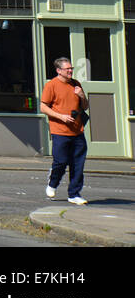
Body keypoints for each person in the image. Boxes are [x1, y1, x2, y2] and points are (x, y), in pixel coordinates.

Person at [41, 56, 89, 204]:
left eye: (71, 68)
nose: (70, 71)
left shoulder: (76, 84)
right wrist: (60, 117)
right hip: (59, 130)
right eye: (67, 69)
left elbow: (85, 107)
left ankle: (74, 194)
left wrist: (82, 96)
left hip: (77, 131)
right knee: (61, 161)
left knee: (78, 164)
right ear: (58, 70)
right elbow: (43, 107)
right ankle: (53, 182)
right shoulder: (51, 85)